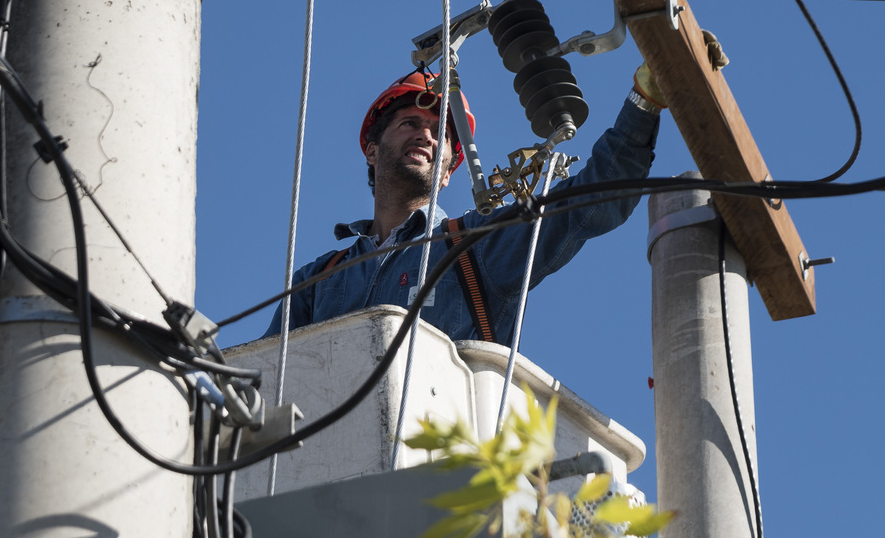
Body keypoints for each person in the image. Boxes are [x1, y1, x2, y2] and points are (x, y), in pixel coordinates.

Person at [263, 65, 666, 346]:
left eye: (439, 132)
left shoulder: (472, 247)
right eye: (409, 123)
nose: (426, 134)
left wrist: (644, 98)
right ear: (372, 150)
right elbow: (264, 381)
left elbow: (588, 203)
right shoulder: (317, 282)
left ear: (448, 173)